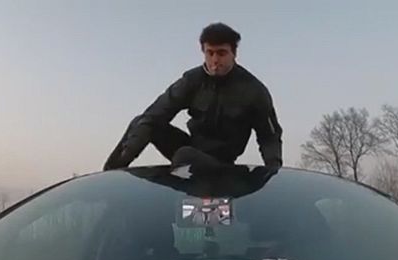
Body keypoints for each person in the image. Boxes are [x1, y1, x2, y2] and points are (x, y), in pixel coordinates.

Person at [103, 22, 283, 171]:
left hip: (222, 164)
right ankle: (110, 176)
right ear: (203, 52)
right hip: (192, 147)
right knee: (140, 123)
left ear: (234, 54)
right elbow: (155, 114)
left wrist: (274, 175)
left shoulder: (253, 90)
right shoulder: (192, 80)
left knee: (185, 155)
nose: (215, 60)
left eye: (221, 53)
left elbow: (270, 137)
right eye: (210, 53)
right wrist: (127, 154)